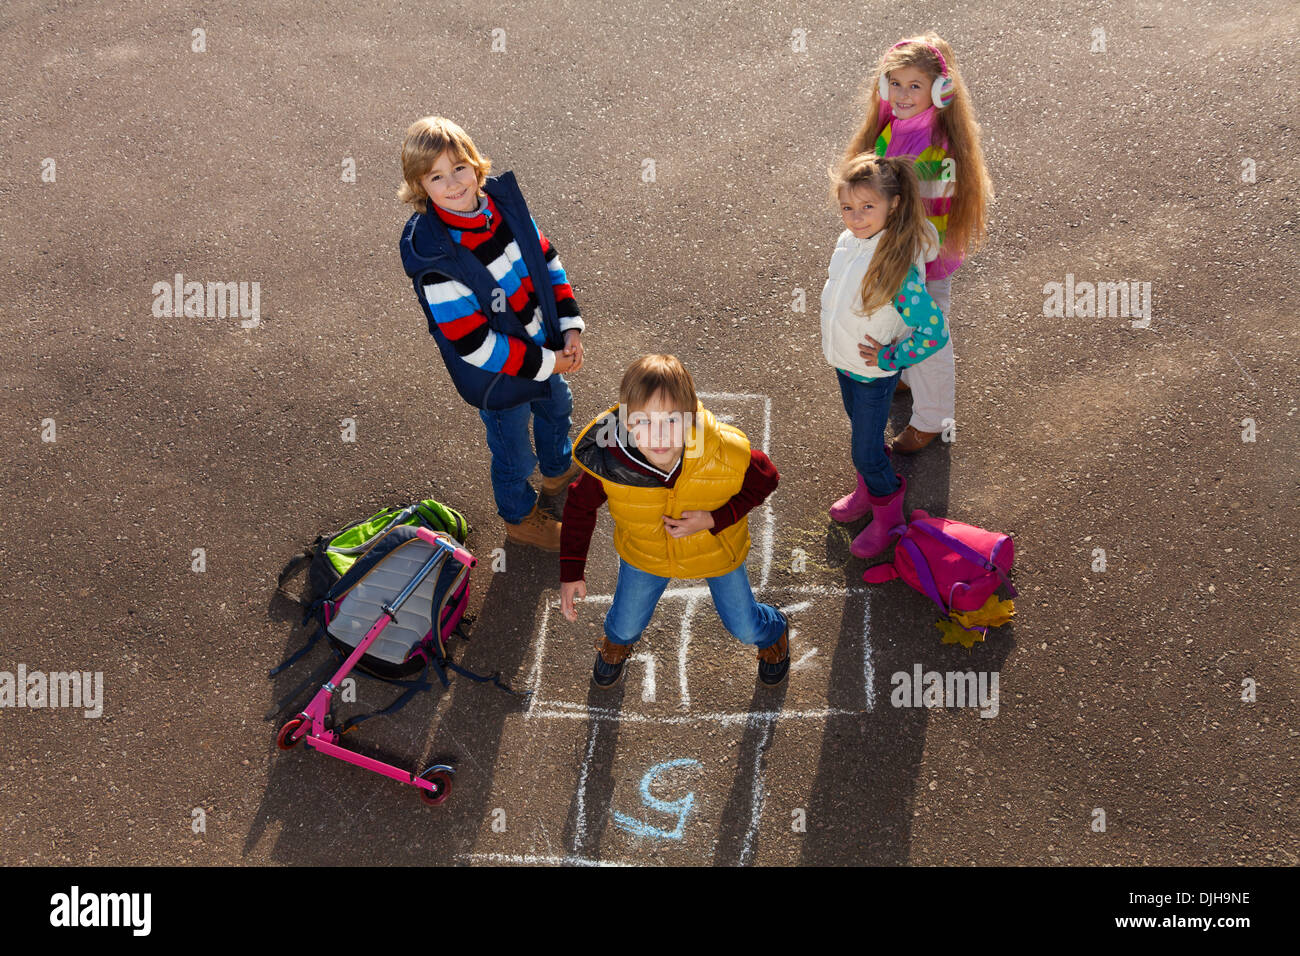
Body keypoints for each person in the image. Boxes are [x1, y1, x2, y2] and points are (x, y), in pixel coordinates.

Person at [398, 116, 585, 551]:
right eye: (436, 177)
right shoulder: (438, 260)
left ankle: (557, 470)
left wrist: (569, 325)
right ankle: (519, 517)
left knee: (558, 408)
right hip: (500, 379)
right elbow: (474, 345)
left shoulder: (503, 209)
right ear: (420, 186)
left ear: (475, 165)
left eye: (459, 168)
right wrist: (547, 363)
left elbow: (546, 260)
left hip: (544, 348)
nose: (453, 183)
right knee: (513, 453)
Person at [558, 355, 789, 687]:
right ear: (624, 422)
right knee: (623, 625)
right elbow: (579, 507)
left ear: (691, 417)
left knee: (745, 626)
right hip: (646, 555)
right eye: (644, 422)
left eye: (671, 421)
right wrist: (571, 570)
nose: (659, 437)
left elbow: (766, 478)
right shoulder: (609, 463)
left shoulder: (722, 450)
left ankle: (774, 632)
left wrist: (715, 518)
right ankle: (618, 644)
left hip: (714, 549)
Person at [843, 33, 993, 454]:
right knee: (912, 328)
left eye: (915, 86)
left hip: (922, 262)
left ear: (940, 90)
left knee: (932, 338)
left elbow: (931, 221)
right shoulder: (895, 125)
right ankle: (907, 376)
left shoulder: (936, 148)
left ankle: (932, 418)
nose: (903, 94)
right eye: (896, 83)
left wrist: (897, 255)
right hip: (901, 256)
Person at [821, 153, 947, 562]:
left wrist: (893, 358)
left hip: (873, 375)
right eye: (847, 207)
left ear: (893, 205)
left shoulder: (895, 264)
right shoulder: (850, 242)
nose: (856, 218)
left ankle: (888, 513)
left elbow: (933, 331)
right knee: (862, 433)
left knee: (865, 450)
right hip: (846, 363)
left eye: (867, 207)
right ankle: (868, 486)